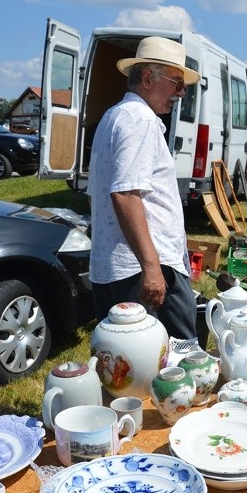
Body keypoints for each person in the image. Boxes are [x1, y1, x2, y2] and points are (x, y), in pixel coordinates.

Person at [88, 36, 201, 339]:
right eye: (177, 82)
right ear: (148, 78)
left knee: (125, 366)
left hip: (121, 266)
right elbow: (125, 194)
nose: (181, 93)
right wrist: (151, 268)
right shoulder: (139, 119)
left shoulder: (115, 116)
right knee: (175, 361)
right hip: (143, 267)